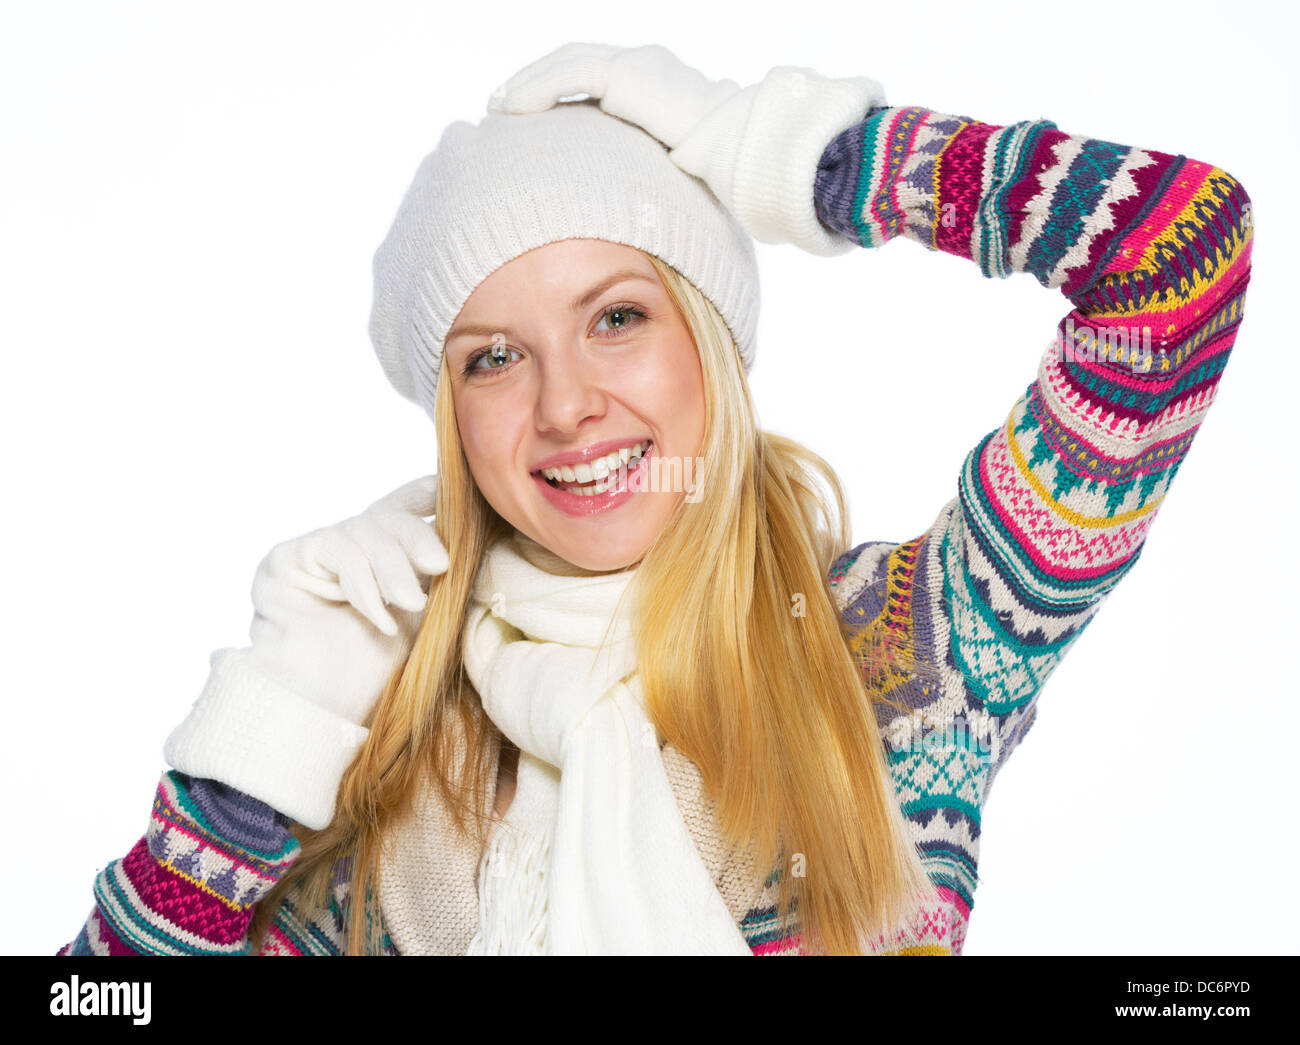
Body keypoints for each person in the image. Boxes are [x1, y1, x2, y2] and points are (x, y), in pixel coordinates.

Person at [58, 42, 1253, 956]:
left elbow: (1175, 261)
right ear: (452, 420)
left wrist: (815, 165)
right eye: (492, 356)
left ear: (712, 342)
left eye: (617, 317)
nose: (566, 405)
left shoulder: (909, 652)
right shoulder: (386, 744)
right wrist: (251, 763)